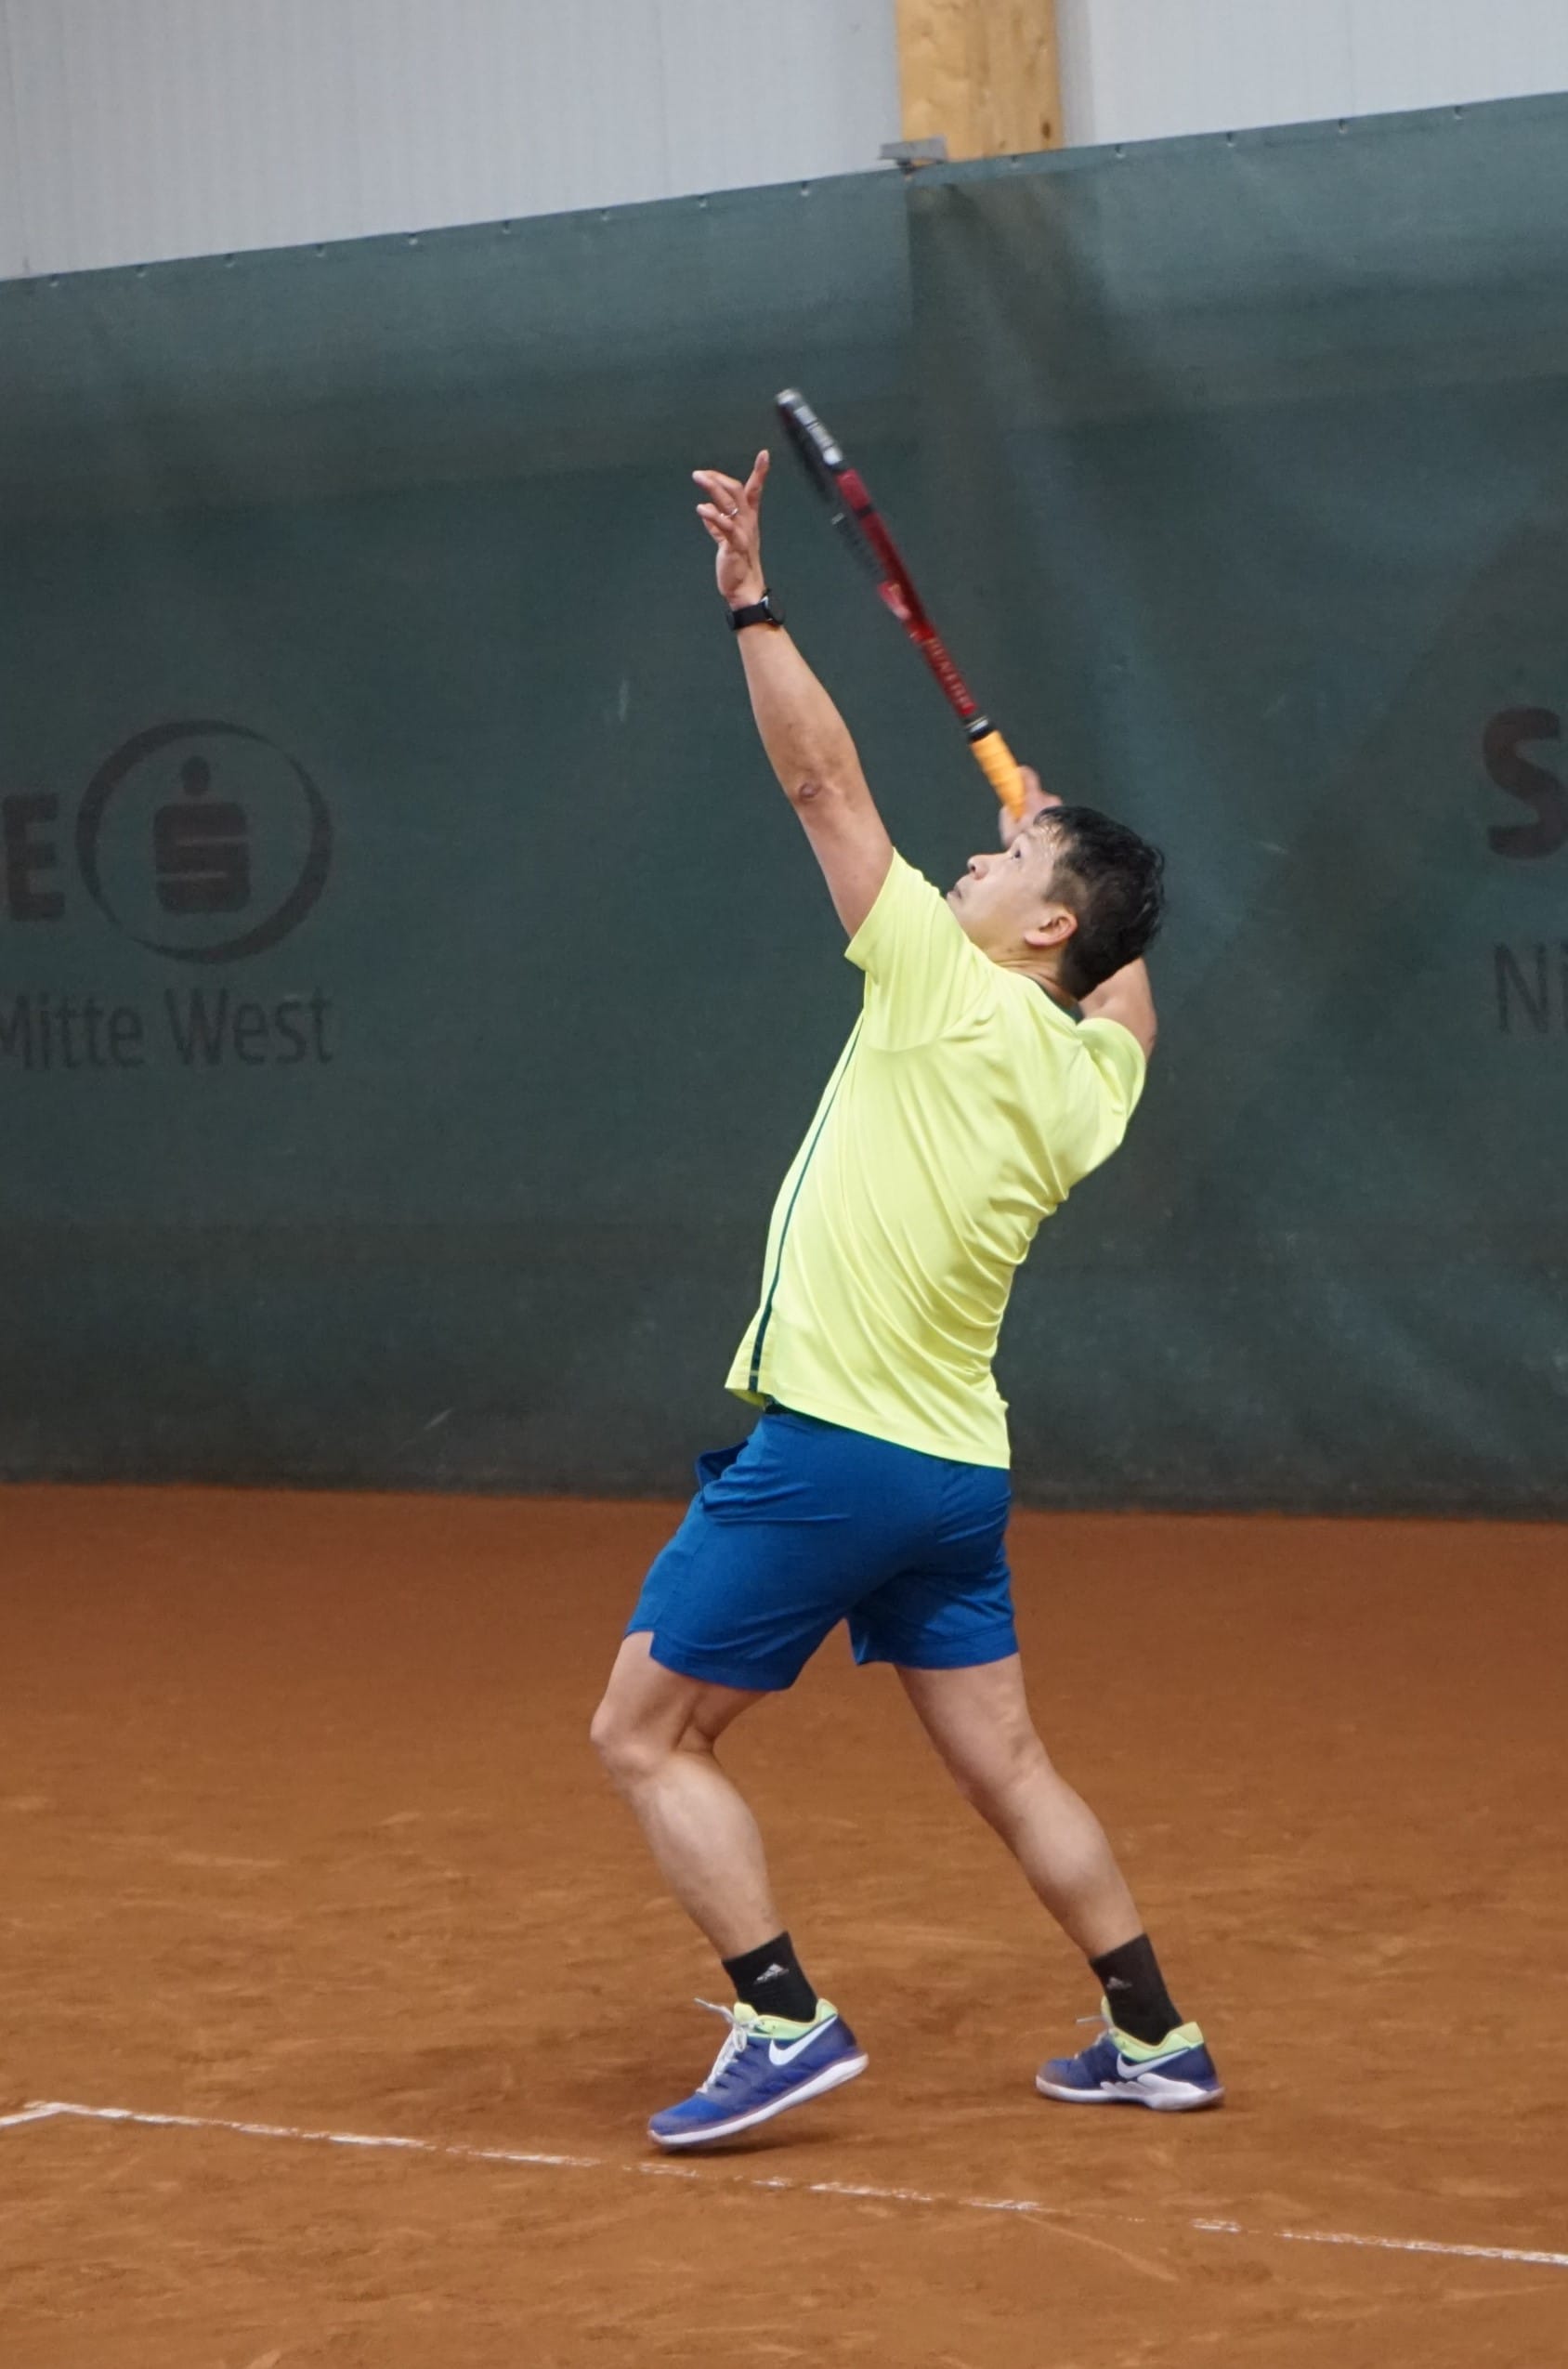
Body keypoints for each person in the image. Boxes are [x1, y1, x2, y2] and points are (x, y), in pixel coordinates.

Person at [591, 445, 1221, 2150]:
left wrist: (752, 604)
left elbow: (821, 782)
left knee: (644, 1734)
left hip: (839, 1451)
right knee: (1007, 1762)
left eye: (1004, 863)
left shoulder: (941, 979)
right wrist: (1063, 849)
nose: (970, 864)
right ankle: (1155, 2031)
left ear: (1046, 925)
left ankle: (782, 2016)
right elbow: (1131, 996)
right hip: (953, 1472)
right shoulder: (1092, 1073)